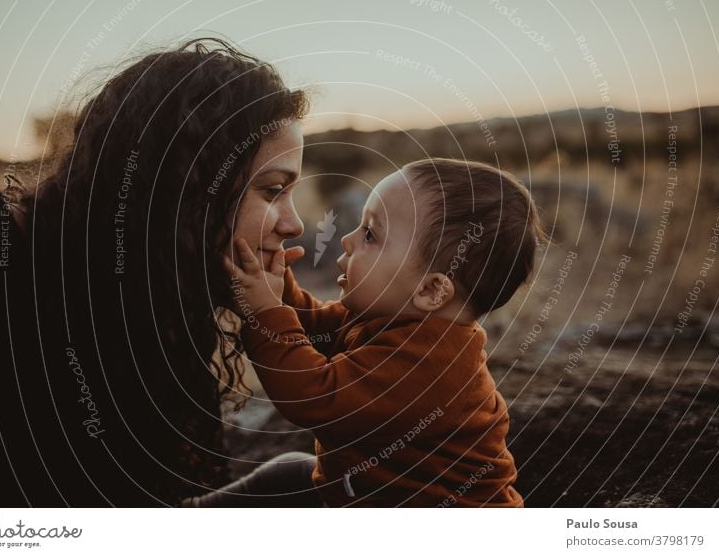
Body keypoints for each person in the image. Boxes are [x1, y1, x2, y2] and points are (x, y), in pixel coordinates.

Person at [0, 38, 310, 506]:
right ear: (188, 187)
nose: (294, 224)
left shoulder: (162, 299)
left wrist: (270, 318)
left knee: (301, 479)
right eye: (273, 191)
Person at [210, 158, 545, 507]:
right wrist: (274, 287)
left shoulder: (428, 366)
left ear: (432, 290)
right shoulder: (388, 316)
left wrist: (264, 312)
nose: (348, 240)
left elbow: (314, 395)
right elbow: (318, 325)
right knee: (291, 471)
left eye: (370, 234)